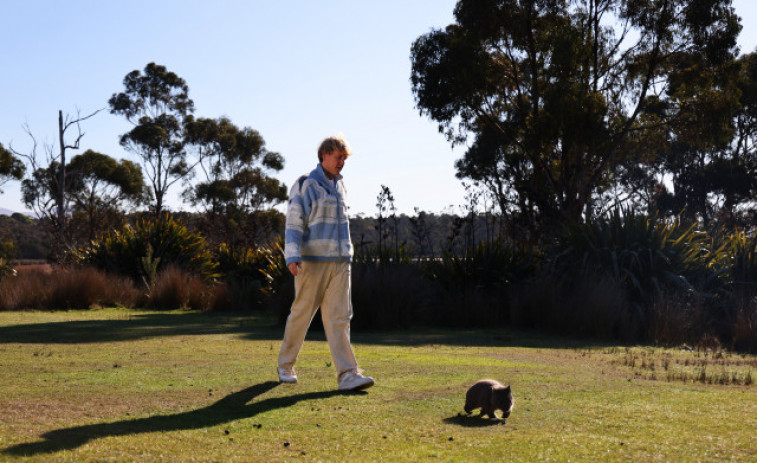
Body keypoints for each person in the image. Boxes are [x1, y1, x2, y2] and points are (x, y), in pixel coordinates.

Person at [278, 135, 375, 391]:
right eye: (338, 156)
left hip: (341, 262)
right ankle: (286, 365)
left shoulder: (340, 186)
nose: (342, 162)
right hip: (311, 263)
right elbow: (295, 220)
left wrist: (347, 254)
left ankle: (347, 375)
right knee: (301, 314)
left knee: (340, 318)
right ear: (324, 155)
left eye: (344, 158)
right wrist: (292, 255)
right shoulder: (306, 183)